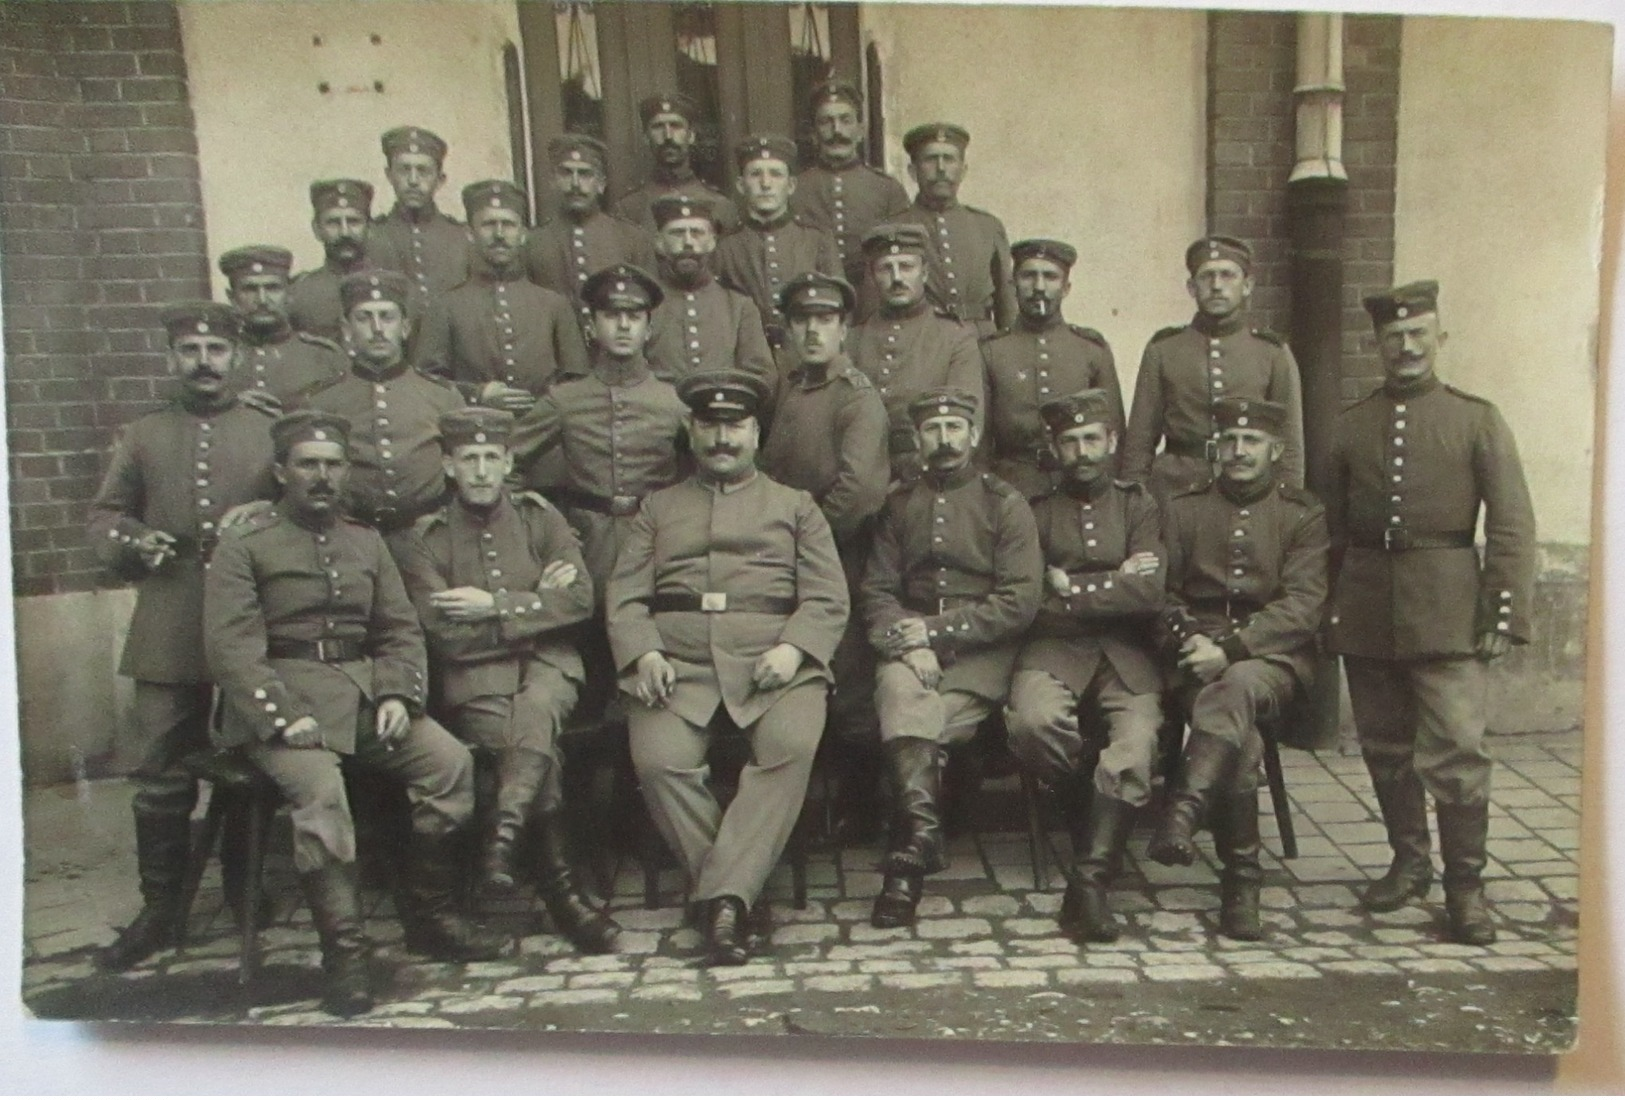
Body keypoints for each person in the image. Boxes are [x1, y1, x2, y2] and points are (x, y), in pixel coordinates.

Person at [204, 410, 504, 1019]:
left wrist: (397, 694)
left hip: (363, 696)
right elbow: (230, 647)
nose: (322, 477)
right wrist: (284, 716)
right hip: (277, 703)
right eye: (308, 465)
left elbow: (398, 628)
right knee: (321, 794)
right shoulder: (245, 546)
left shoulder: (365, 541)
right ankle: (345, 955)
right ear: (281, 472)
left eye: (333, 465)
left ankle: (428, 918)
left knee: (448, 765)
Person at [606, 370, 849, 966]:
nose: (722, 439)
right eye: (710, 426)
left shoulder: (796, 508)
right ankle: (736, 898)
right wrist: (644, 652)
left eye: (735, 426)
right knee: (659, 761)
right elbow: (625, 596)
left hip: (773, 662)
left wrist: (794, 648)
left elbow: (827, 597)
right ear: (690, 432)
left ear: (756, 433)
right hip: (679, 664)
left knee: (790, 747)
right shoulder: (657, 510)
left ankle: (721, 902)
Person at [1325, 280, 1537, 946]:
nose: (1405, 347)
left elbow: (1510, 523)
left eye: (1418, 334)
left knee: (1456, 749)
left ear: (1438, 338)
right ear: (1376, 345)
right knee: (1384, 745)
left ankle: (1464, 888)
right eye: (1393, 337)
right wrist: (1329, 606)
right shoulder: (1349, 424)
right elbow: (1326, 526)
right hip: (1365, 603)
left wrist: (1500, 612)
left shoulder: (1475, 420)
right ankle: (1408, 861)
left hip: (1447, 608)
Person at [87, 301, 279, 972]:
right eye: (191, 351)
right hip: (169, 620)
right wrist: (137, 540)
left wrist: (265, 515)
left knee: (257, 758)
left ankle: (247, 888)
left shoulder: (265, 432)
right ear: (173, 359)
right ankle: (161, 910)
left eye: (216, 351)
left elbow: (302, 512)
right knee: (162, 773)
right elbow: (104, 517)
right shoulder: (144, 435)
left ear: (237, 358)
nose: (204, 362)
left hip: (247, 618)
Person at [390, 407, 620, 954]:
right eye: (468, 459)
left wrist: (493, 606)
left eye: (492, 457)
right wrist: (538, 606)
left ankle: (504, 839)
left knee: (536, 710)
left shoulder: (540, 517)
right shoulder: (425, 538)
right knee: (536, 738)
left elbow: (582, 600)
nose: (481, 471)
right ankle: (563, 897)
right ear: (448, 464)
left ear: (510, 461)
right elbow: (446, 637)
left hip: (553, 669)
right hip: (476, 680)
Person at [1147, 396, 1327, 942]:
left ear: (1275, 450)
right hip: (1193, 658)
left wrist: (1234, 648)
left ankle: (1185, 806)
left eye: (1252, 442)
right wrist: (1192, 640)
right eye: (1230, 441)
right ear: (1214, 448)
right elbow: (1161, 594)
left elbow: (1302, 606)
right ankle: (1240, 884)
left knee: (1239, 684)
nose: (1239, 451)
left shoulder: (1302, 514)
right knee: (1241, 743)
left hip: (1272, 659)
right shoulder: (1182, 509)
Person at [860, 388, 1042, 928]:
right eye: (933, 430)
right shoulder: (899, 505)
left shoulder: (1004, 504)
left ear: (974, 435)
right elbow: (876, 591)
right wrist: (909, 642)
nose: (944, 439)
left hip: (981, 653)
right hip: (910, 649)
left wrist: (934, 633)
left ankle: (907, 858)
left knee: (917, 724)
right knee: (900, 695)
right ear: (917, 440)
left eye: (954, 428)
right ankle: (918, 845)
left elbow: (1019, 601)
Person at [1005, 389, 1164, 943]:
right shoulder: (1035, 512)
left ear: (1113, 442)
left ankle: (1090, 881)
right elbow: (1028, 601)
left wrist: (1073, 586)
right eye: (1069, 442)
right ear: (1055, 447)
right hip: (1052, 648)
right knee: (1031, 722)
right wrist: (1115, 580)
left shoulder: (1138, 505)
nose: (1082, 452)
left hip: (1126, 653)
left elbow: (1148, 594)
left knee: (1137, 742)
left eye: (1092, 439)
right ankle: (1087, 811)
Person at [508, 264, 690, 720]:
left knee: (652, 667)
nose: (623, 325)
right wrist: (538, 530)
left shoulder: (673, 402)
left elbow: (704, 473)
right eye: (611, 315)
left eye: (634, 316)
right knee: (587, 669)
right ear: (592, 326)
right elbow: (506, 467)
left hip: (657, 549)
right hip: (586, 547)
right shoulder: (566, 400)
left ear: (650, 327)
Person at [758, 272, 891, 837]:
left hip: (842, 551)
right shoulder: (788, 388)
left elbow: (858, 492)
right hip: (787, 550)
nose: (813, 331)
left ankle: (861, 807)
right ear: (788, 329)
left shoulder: (857, 398)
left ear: (843, 330)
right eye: (802, 321)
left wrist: (806, 543)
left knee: (851, 672)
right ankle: (810, 802)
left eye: (825, 320)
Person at [1122, 235, 1305, 500]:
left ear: (1247, 286)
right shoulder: (1163, 349)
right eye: (1206, 277)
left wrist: (1287, 504)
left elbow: (1289, 445)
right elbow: (1139, 442)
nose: (1217, 285)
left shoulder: (1272, 352)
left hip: (1249, 492)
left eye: (1228, 275)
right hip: (1175, 490)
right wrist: (1134, 503)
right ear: (1191, 287)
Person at [293, 270, 464, 534]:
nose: (377, 329)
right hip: (349, 535)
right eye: (364, 318)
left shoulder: (442, 396)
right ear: (347, 330)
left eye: (387, 317)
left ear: (405, 328)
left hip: (426, 535)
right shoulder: (320, 401)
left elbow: (464, 469)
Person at [414, 179, 588, 408]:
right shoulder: (445, 306)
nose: (499, 234)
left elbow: (577, 380)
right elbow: (426, 382)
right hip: (473, 433)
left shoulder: (554, 305)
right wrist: (476, 394)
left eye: (508, 224)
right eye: (488, 224)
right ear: (469, 233)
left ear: (524, 234)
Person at [982, 239, 1124, 499]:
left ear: (1066, 287)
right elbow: (979, 442)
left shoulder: (1091, 349)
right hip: (1011, 490)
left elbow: (1113, 433)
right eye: (1028, 276)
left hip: (1077, 490)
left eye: (1050, 277)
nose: (1039, 287)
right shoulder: (991, 351)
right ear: (1013, 285)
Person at [848, 222, 985, 483]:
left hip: (928, 476)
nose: (897, 278)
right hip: (861, 474)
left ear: (924, 273)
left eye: (906, 267)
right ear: (873, 276)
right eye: (886, 268)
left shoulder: (955, 336)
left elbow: (968, 421)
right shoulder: (853, 338)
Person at [789, 79, 910, 317]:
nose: (837, 132)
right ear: (813, 133)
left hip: (874, 307)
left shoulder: (888, 189)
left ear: (861, 130)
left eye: (846, 120)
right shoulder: (795, 189)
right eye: (826, 122)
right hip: (816, 306)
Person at [713, 134, 840, 349]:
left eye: (775, 174)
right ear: (741, 185)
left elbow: (837, 306)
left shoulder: (816, 239)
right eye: (755, 175)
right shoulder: (725, 247)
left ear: (790, 186)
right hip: (747, 356)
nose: (765, 184)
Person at [523, 134, 654, 334]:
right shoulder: (533, 243)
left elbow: (649, 310)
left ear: (601, 184)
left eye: (585, 174)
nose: (575, 183)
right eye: (566, 173)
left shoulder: (632, 239)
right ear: (552, 181)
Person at [896, 123, 1015, 337]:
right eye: (930, 159)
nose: (941, 168)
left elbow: (1007, 306)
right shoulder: (895, 228)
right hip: (921, 342)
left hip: (980, 343)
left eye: (949, 159)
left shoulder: (988, 227)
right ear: (913, 171)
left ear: (963, 170)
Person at [646, 196, 774, 386]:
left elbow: (762, 375)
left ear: (712, 242)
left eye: (697, 233)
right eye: (677, 233)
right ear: (659, 242)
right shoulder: (644, 306)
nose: (688, 242)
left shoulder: (738, 305)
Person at [365, 125, 472, 322]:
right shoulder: (371, 237)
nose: (413, 180)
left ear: (440, 180)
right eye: (404, 170)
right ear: (389, 175)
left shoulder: (463, 239)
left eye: (423, 171)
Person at [218, 245, 347, 408]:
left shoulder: (325, 357)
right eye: (250, 289)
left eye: (272, 288)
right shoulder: (216, 357)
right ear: (232, 297)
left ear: (290, 293)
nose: (263, 300)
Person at [612, 93, 740, 234]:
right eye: (658, 127)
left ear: (691, 136)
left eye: (676, 126)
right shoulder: (629, 208)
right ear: (646, 138)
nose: (668, 136)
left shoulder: (719, 205)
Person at [287, 179, 373, 344]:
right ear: (317, 229)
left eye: (353, 222)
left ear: (369, 227)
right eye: (333, 222)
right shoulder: (298, 294)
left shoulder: (394, 290)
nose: (345, 232)